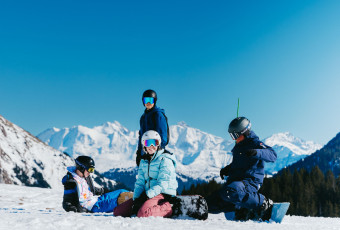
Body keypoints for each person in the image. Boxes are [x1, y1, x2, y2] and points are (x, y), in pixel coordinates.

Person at [218, 117, 277, 221]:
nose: (234, 139)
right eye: (232, 135)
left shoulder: (255, 143)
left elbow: (273, 155)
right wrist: (227, 169)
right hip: (239, 182)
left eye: (235, 135)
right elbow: (238, 164)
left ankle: (263, 202)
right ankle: (243, 210)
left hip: (251, 181)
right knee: (222, 197)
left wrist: (257, 152)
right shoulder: (239, 147)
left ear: (245, 132)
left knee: (230, 191)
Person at [114, 130, 178, 218]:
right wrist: (136, 199)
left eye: (154, 142)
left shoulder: (165, 160)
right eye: (148, 143)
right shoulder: (143, 161)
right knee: (118, 212)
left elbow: (163, 184)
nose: (151, 146)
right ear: (144, 145)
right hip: (149, 193)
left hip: (163, 194)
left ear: (158, 144)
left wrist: (147, 195)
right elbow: (140, 182)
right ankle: (147, 204)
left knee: (143, 213)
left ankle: (168, 207)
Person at [62, 155, 133, 213]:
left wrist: (104, 191)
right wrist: (72, 208)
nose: (90, 172)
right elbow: (67, 201)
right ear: (81, 168)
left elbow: (92, 190)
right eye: (90, 169)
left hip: (96, 200)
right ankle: (138, 206)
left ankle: (140, 197)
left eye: (92, 170)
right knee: (122, 199)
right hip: (93, 207)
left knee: (122, 191)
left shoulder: (85, 177)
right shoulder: (71, 181)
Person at [136, 89, 169, 166]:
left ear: (154, 101)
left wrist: (156, 152)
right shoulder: (143, 118)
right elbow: (141, 136)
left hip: (155, 154)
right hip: (145, 154)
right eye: (145, 100)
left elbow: (163, 137)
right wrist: (139, 153)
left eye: (150, 100)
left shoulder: (158, 115)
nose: (148, 103)